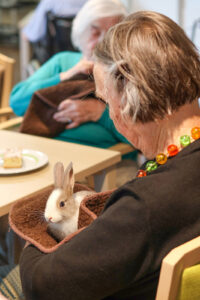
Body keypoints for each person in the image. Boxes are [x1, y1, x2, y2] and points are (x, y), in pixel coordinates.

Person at [18, 11, 200, 300]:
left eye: (105, 100)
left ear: (129, 96)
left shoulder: (145, 206)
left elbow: (42, 286)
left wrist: (38, 231)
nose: (111, 116)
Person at [10, 0, 132, 152]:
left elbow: (141, 136)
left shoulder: (127, 73)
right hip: (44, 153)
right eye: (95, 32)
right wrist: (66, 75)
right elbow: (17, 103)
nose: (102, 42)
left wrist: (100, 113)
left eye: (110, 35)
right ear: (81, 31)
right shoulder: (64, 61)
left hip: (104, 165)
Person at [22, 0, 88, 43]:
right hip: (87, 53)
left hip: (56, 51)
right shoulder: (94, 2)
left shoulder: (49, 2)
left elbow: (32, 35)